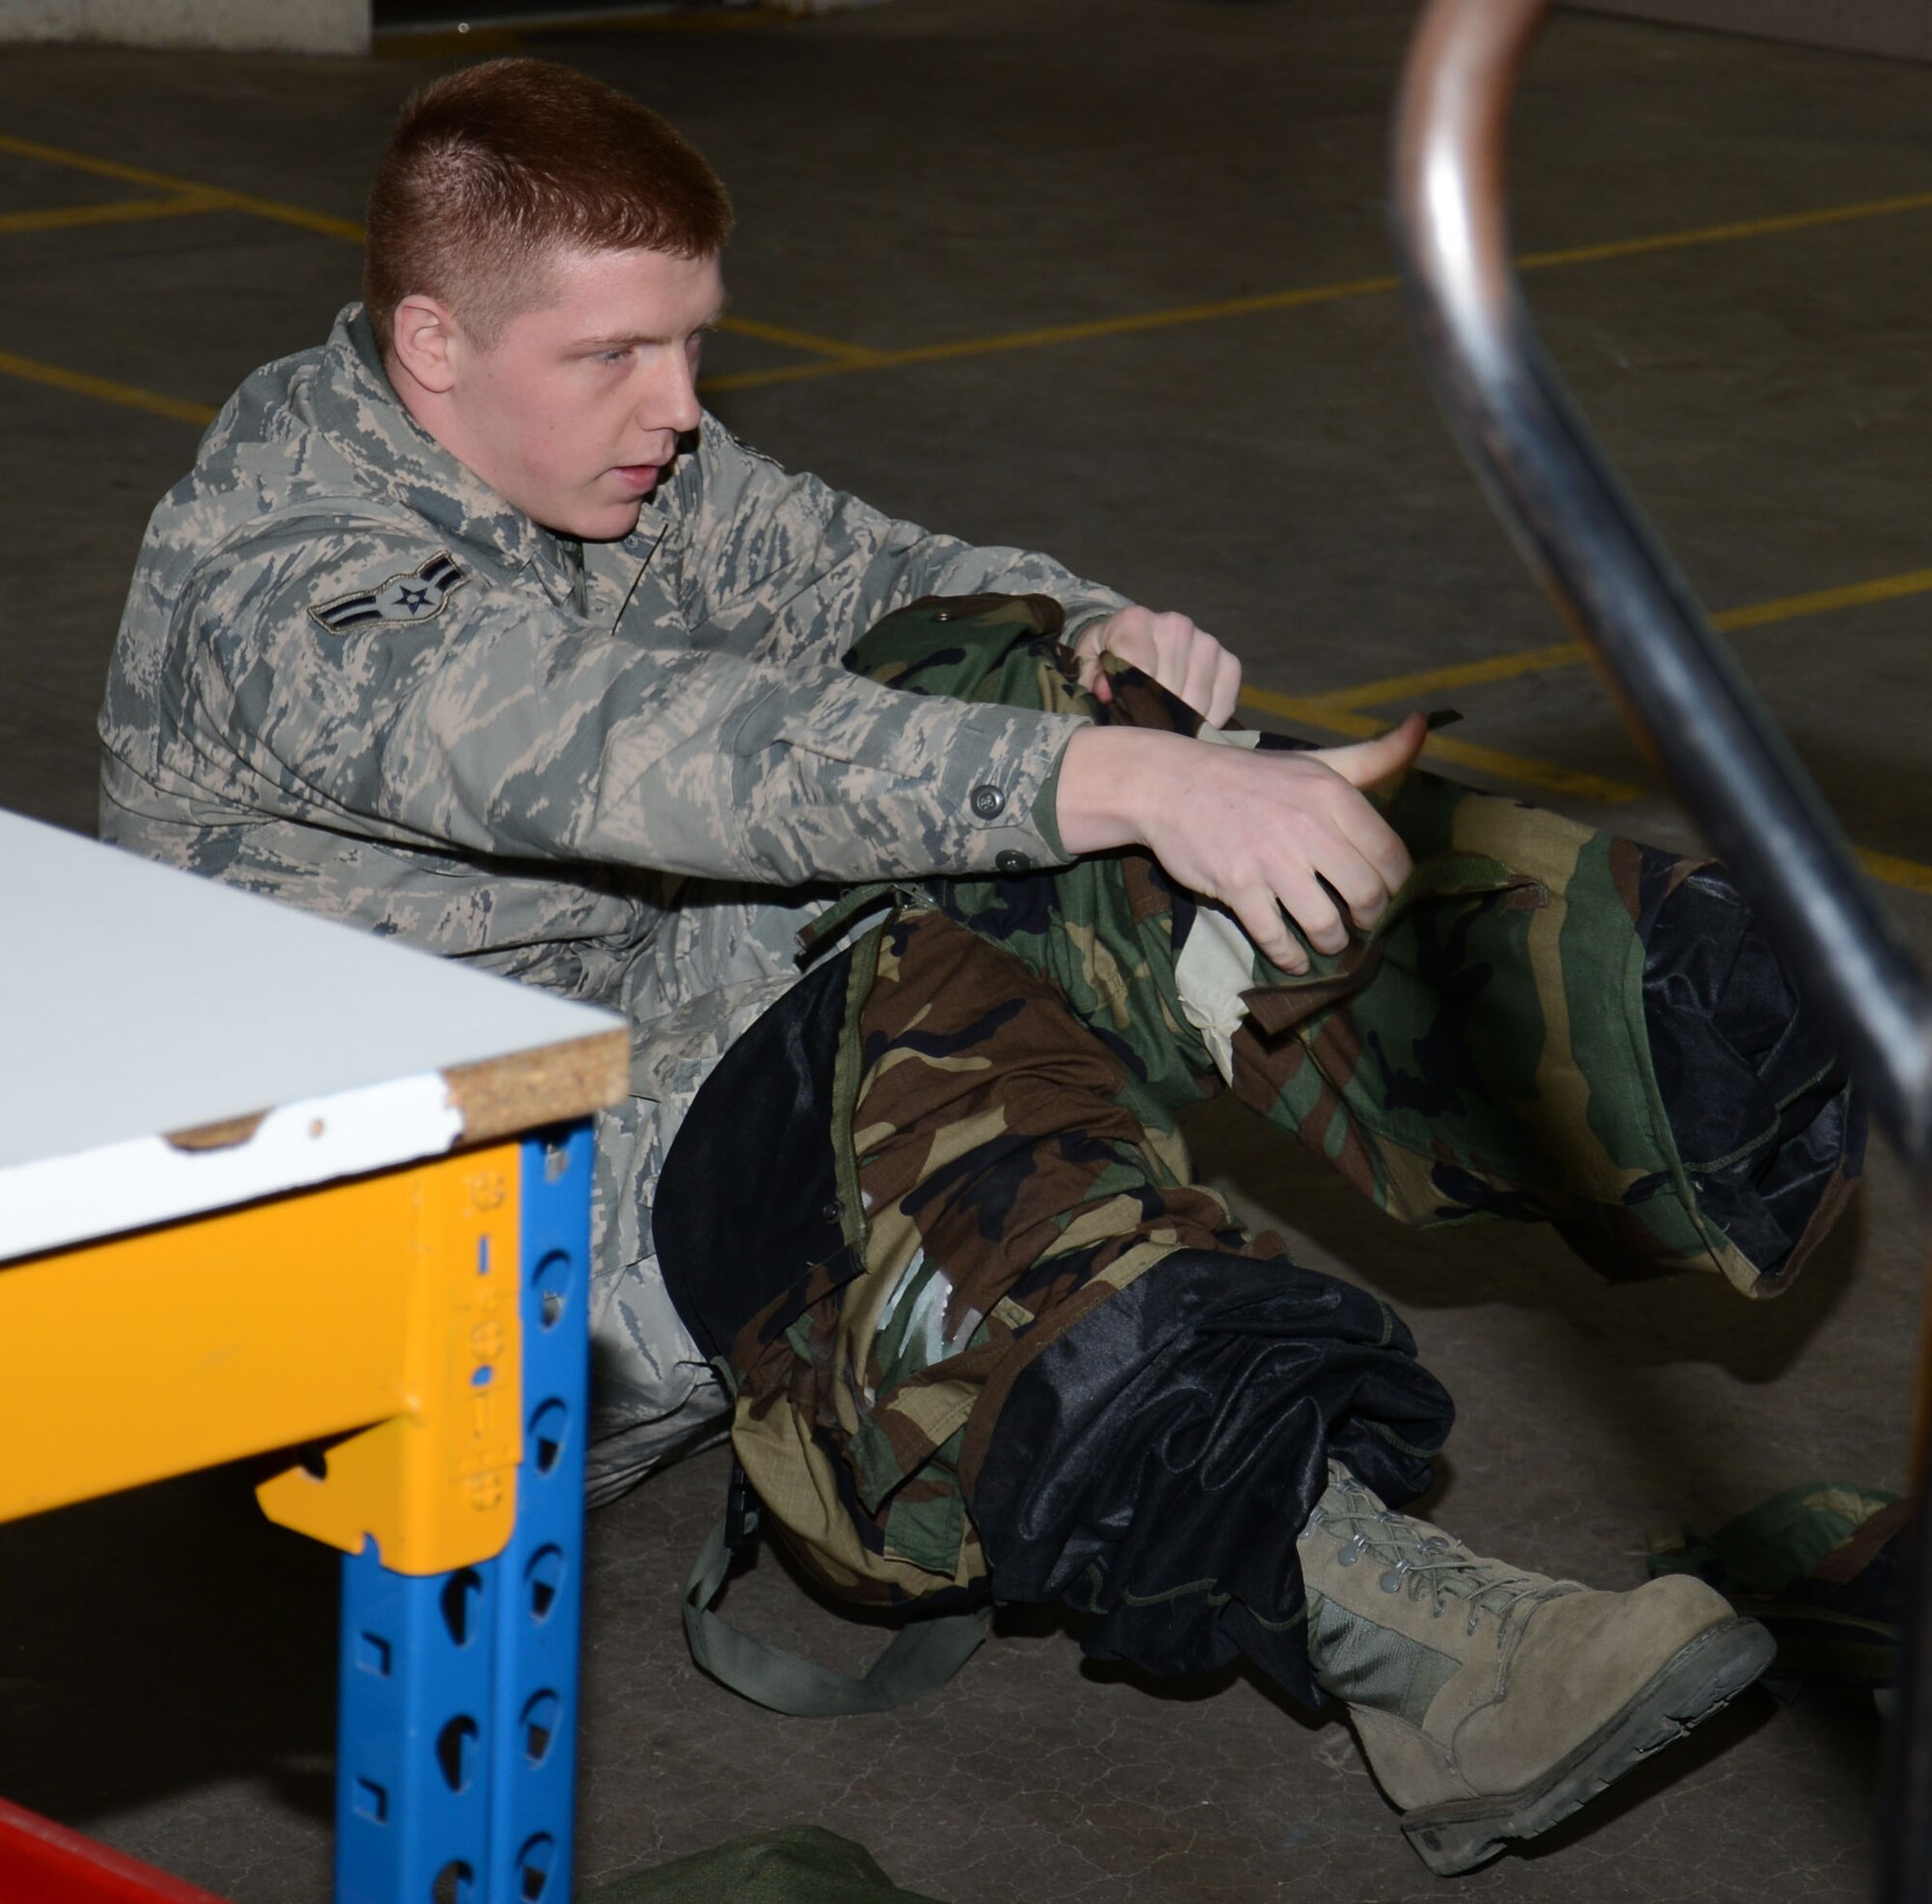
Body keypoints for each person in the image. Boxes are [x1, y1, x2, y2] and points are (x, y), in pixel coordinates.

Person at [98, 57, 1863, 1878]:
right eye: (616, 357)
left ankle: (1717, 1050)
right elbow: (655, 746)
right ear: (433, 346)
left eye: (692, 345)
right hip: (397, 1305)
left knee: (999, 689)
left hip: (626, 1103)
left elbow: (882, 579)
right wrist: (1114, 781)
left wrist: (1084, 639)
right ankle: (1394, 1632)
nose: (680, 409)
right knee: (931, 986)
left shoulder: (598, 458)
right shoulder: (283, 584)